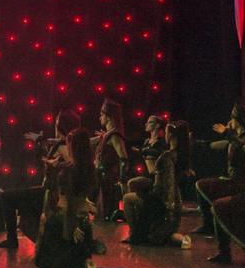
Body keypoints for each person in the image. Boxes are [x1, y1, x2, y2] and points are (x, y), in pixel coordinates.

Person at [0, 109, 80, 249]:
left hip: (52, 195)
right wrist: (40, 140)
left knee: (6, 197)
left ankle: (14, 240)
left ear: (61, 125)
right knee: (10, 198)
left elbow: (73, 165)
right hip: (48, 191)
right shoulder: (62, 143)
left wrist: (56, 164)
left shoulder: (65, 146)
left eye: (57, 123)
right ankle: (25, 240)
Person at [34, 128, 97, 268]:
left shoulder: (70, 171)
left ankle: (70, 262)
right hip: (82, 215)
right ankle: (82, 260)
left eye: (68, 144)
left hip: (67, 215)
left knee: (42, 261)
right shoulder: (89, 167)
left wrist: (71, 226)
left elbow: (70, 203)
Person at [122, 121, 192, 249]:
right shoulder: (181, 155)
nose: (164, 135)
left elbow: (166, 184)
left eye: (166, 132)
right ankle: (179, 239)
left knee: (127, 198)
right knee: (165, 235)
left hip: (163, 201)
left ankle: (135, 233)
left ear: (170, 135)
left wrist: (167, 207)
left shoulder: (167, 156)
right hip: (176, 201)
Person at [194, 102, 245, 236]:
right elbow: (220, 145)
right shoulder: (235, 138)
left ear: (237, 120)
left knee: (215, 200)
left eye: (232, 118)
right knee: (202, 186)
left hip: (240, 183)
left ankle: (212, 226)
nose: (229, 121)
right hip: (233, 180)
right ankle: (209, 225)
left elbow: (240, 146)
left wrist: (228, 133)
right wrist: (199, 144)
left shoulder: (238, 138)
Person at [92, 98, 128, 221]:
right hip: (102, 178)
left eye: (102, 115)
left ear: (108, 117)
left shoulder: (114, 135)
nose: (100, 118)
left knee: (106, 212)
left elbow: (123, 158)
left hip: (108, 178)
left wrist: (122, 179)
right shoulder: (108, 135)